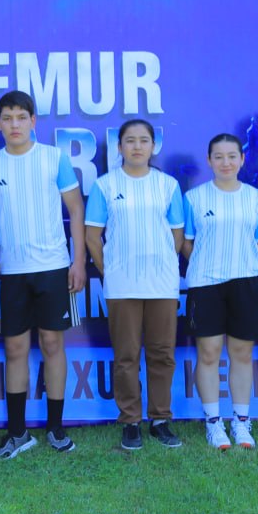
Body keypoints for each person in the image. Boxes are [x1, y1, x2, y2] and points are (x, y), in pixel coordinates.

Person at [0, 90, 87, 458]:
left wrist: (78, 261)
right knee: (15, 348)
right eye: (7, 118)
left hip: (53, 268)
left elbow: (76, 210)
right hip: (12, 273)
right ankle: (18, 433)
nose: (15, 124)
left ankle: (56, 428)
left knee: (53, 344)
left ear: (33, 121)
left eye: (21, 117)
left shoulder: (54, 158)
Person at [84, 118, 185, 451]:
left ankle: (160, 419)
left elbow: (176, 235)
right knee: (126, 356)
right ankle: (130, 421)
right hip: (122, 284)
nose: (137, 146)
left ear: (154, 146)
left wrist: (160, 263)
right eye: (130, 140)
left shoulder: (168, 185)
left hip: (162, 284)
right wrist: (110, 270)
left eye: (144, 140)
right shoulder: (105, 186)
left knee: (162, 354)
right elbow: (92, 236)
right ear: (120, 147)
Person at [183, 133, 258, 451]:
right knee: (208, 353)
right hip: (205, 283)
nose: (226, 162)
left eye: (232, 156)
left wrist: (236, 260)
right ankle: (213, 423)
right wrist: (212, 262)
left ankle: (241, 422)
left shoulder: (256, 199)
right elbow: (187, 243)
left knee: (241, 353)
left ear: (242, 159)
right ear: (209, 161)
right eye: (218, 157)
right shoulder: (194, 198)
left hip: (245, 282)